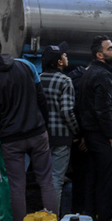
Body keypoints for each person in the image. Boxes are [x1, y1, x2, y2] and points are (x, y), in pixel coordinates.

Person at [0, 51, 58, 221]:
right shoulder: (26, 65)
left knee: (17, 187)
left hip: (10, 139)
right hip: (37, 132)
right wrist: (45, 125)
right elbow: (41, 99)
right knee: (46, 182)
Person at [76, 35, 112, 221]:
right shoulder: (103, 76)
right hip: (102, 138)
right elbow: (102, 110)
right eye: (110, 48)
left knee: (92, 180)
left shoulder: (88, 73)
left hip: (90, 136)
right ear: (100, 55)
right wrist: (111, 136)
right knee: (106, 183)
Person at [40, 45, 79, 207]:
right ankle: (52, 217)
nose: (67, 58)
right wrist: (76, 131)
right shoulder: (65, 80)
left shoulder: (38, 79)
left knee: (44, 178)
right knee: (57, 179)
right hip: (62, 137)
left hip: (41, 136)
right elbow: (67, 111)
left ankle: (42, 214)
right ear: (59, 62)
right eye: (64, 55)